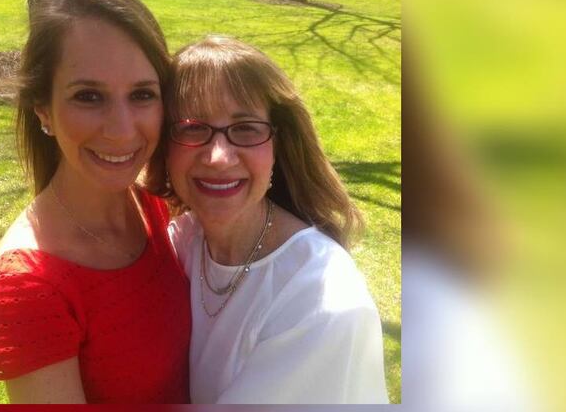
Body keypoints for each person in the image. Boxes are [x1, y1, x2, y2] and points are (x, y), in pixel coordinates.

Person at [147, 36, 388, 403]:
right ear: (165, 147)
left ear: (278, 145)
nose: (219, 157)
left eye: (246, 128)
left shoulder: (320, 302)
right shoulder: (181, 241)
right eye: (193, 127)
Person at [0, 0, 190, 404]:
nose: (121, 130)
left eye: (142, 94)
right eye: (88, 96)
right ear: (43, 109)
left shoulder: (155, 203)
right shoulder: (27, 287)